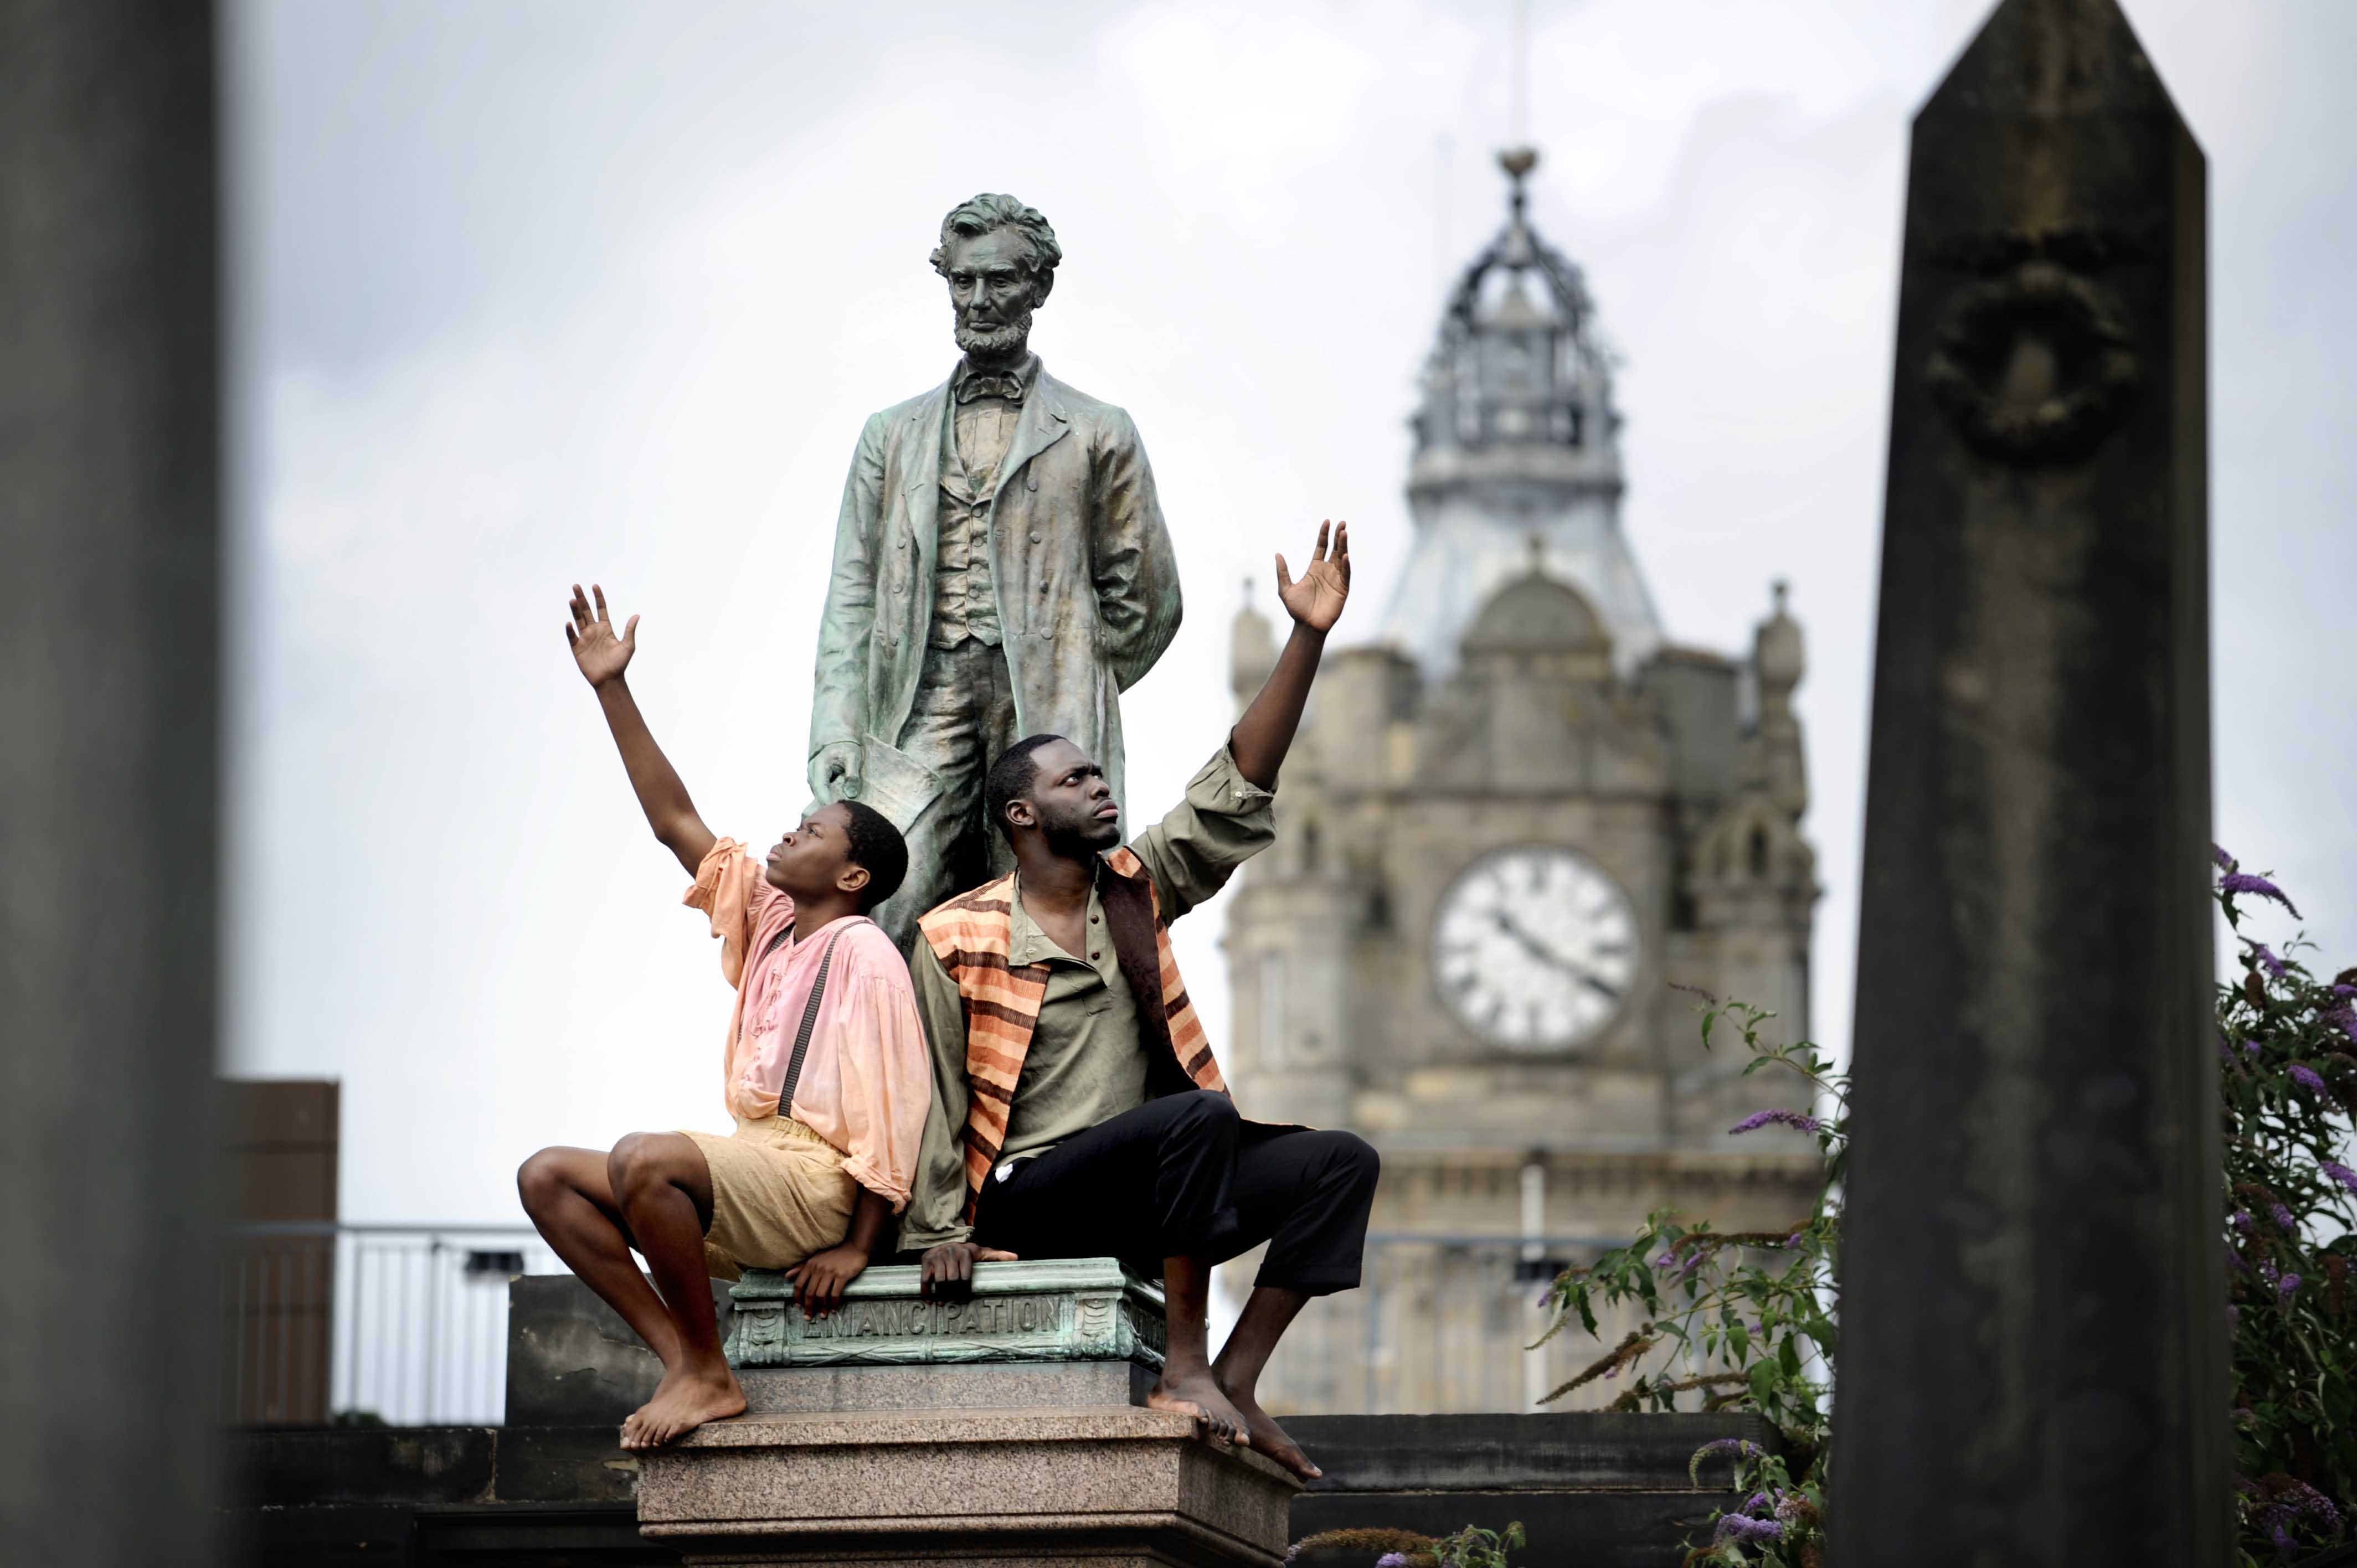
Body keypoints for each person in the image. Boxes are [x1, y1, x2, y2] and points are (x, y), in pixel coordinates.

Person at [900, 523, 1372, 1482]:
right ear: (1022, 815)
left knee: (1339, 1164)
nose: (1097, 782)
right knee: (1198, 1119)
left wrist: (1308, 639)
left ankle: (1235, 1374)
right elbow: (933, 1099)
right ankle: (1184, 1369)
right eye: (1073, 778)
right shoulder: (956, 934)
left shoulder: (1133, 888)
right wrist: (942, 1232)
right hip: (1029, 1197)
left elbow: (1234, 788)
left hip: (1154, 1192)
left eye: (1098, 770)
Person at [518, 585, 931, 1451]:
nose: (787, 836)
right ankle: (687, 1359)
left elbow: (896, 1115)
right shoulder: (774, 924)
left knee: (644, 1156)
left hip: (818, 1183)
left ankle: (707, 1371)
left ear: (852, 877)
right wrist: (611, 689)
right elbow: (676, 821)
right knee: (548, 1176)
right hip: (752, 1167)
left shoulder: (866, 954)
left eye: (811, 832)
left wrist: (859, 1246)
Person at [806, 192, 1184, 946]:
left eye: (1002, 280)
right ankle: (895, 1061)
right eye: (963, 281)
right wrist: (834, 730)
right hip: (920, 700)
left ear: (1038, 288)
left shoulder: (1099, 431)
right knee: (889, 895)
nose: (979, 301)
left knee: (1049, 915)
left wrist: (1073, 665)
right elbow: (852, 597)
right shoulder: (891, 437)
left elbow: (1148, 601)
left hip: (1047, 707)